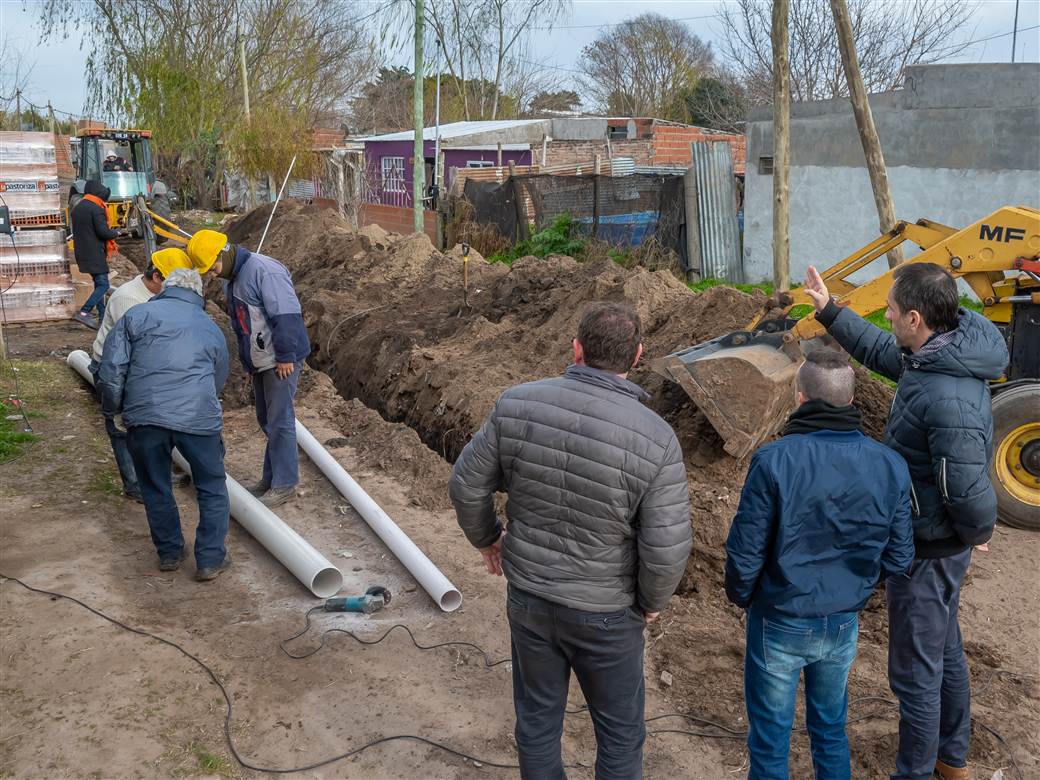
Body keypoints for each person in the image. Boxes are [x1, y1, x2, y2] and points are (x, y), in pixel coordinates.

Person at [449, 302, 693, 780]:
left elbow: (465, 484)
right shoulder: (658, 438)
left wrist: (488, 539)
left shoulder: (516, 403)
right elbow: (666, 545)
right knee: (620, 736)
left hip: (531, 598)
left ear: (576, 348)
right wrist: (651, 602)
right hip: (607, 613)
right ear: (638, 356)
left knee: (537, 722)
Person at [804, 262, 1008, 780]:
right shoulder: (938, 355)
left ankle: (915, 772)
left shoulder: (945, 397)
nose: (887, 316)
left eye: (891, 311)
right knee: (945, 649)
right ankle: (950, 757)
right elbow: (879, 351)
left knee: (915, 673)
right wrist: (829, 310)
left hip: (928, 546)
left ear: (915, 318)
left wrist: (977, 530)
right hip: (935, 541)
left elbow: (964, 483)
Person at [724, 349, 915, 780]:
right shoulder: (889, 465)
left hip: (779, 618)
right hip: (841, 620)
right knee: (830, 730)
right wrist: (856, 585)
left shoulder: (774, 460)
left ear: (799, 398)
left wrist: (744, 597)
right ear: (851, 401)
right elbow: (901, 555)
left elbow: (745, 548)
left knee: (770, 739)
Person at [97, 268, 232, 581]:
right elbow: (218, 377)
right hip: (197, 419)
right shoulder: (210, 327)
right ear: (198, 294)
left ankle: (170, 553)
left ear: (164, 288)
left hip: (145, 417)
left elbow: (112, 369)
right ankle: (210, 559)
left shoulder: (136, 316)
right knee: (211, 486)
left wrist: (114, 410)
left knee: (155, 484)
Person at [187, 229, 311, 508]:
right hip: (262, 360)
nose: (213, 274)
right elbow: (244, 327)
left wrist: (286, 356)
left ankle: (284, 483)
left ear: (224, 253)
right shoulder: (232, 279)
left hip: (281, 358)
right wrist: (248, 362)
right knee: (267, 419)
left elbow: (287, 315)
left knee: (280, 421)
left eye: (214, 267)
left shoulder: (263, 271)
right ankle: (272, 477)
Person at [89, 247, 194, 501]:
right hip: (115, 369)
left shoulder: (157, 297)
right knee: (122, 426)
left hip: (140, 366)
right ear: (156, 277)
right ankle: (135, 484)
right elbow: (133, 350)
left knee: (149, 425)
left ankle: (155, 475)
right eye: (172, 283)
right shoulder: (130, 300)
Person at [70, 179, 119, 329]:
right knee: (104, 285)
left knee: (99, 284)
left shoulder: (78, 208)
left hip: (82, 253)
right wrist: (115, 233)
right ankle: (84, 312)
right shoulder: (96, 208)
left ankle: (102, 318)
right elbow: (103, 232)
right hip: (95, 254)